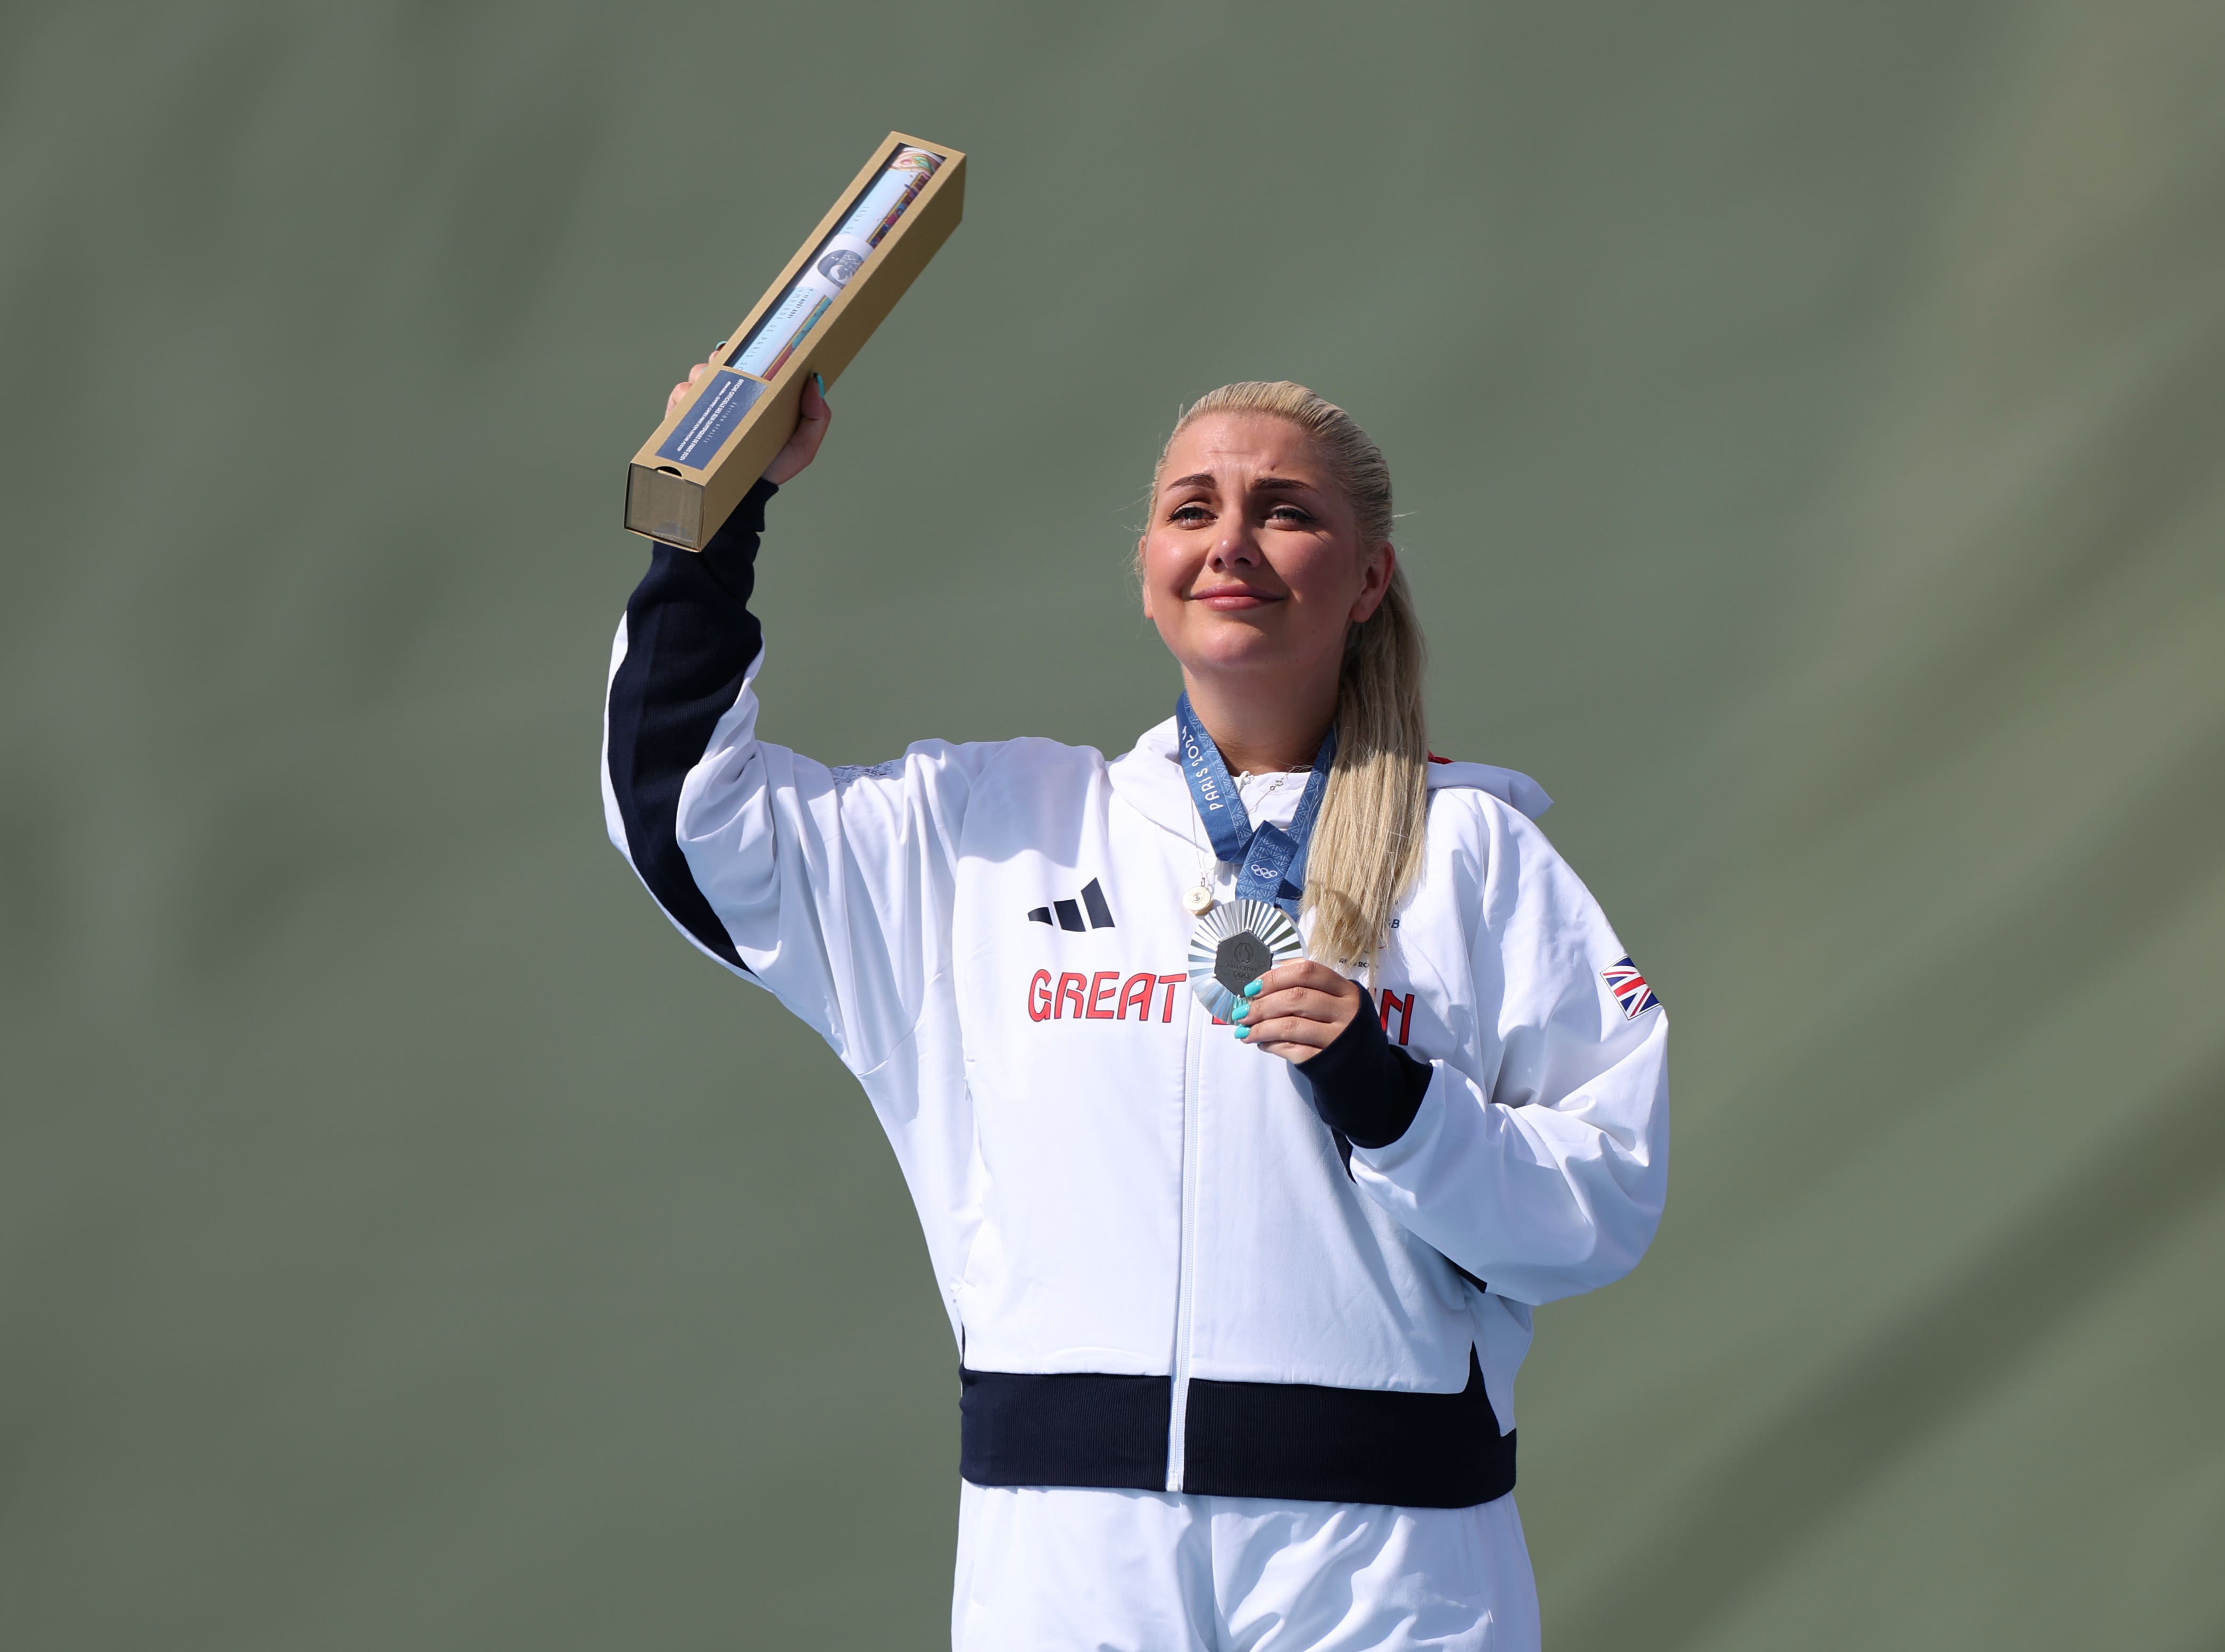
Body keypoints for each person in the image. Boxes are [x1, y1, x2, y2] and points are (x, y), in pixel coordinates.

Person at [603, 365, 1671, 1650]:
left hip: (1385, 1557)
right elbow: (688, 813)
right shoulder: (990, 838)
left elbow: (1600, 1199)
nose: (1231, 541)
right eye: (1191, 508)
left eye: (1284, 511)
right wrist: (709, 521)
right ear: (1148, 564)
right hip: (1067, 1556)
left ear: (1370, 578)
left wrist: (1396, 1104)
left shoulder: (1474, 856)